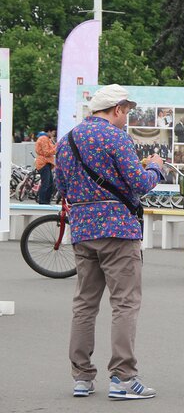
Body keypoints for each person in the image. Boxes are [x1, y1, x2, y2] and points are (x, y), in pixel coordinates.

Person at [54, 84, 164, 400]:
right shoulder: (116, 138)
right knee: (125, 303)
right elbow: (140, 183)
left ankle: (82, 377)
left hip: (83, 230)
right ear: (117, 109)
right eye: (126, 112)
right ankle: (123, 378)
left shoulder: (67, 141)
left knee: (84, 303)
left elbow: (61, 185)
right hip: (119, 230)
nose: (126, 118)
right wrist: (156, 166)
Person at [34, 127, 57, 204]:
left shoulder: (47, 139)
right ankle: (42, 201)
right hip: (43, 163)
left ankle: (46, 201)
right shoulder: (44, 138)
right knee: (46, 183)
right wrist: (56, 149)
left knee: (50, 184)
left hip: (46, 163)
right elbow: (46, 152)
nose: (54, 134)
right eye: (53, 132)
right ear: (49, 131)